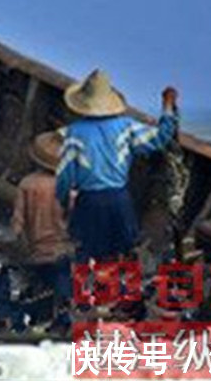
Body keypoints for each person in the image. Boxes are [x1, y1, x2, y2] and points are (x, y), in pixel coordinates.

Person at [54, 69, 179, 262]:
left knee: (85, 254)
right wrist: (168, 106)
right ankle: (119, 290)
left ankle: (86, 290)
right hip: (119, 201)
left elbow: (64, 176)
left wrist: (63, 203)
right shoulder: (126, 127)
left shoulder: (73, 133)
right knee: (122, 255)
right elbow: (160, 137)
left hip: (89, 202)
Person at [10, 132, 76, 309]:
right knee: (63, 295)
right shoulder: (67, 186)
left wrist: (26, 246)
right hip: (61, 252)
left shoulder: (26, 184)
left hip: (37, 254)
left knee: (40, 294)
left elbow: (17, 224)